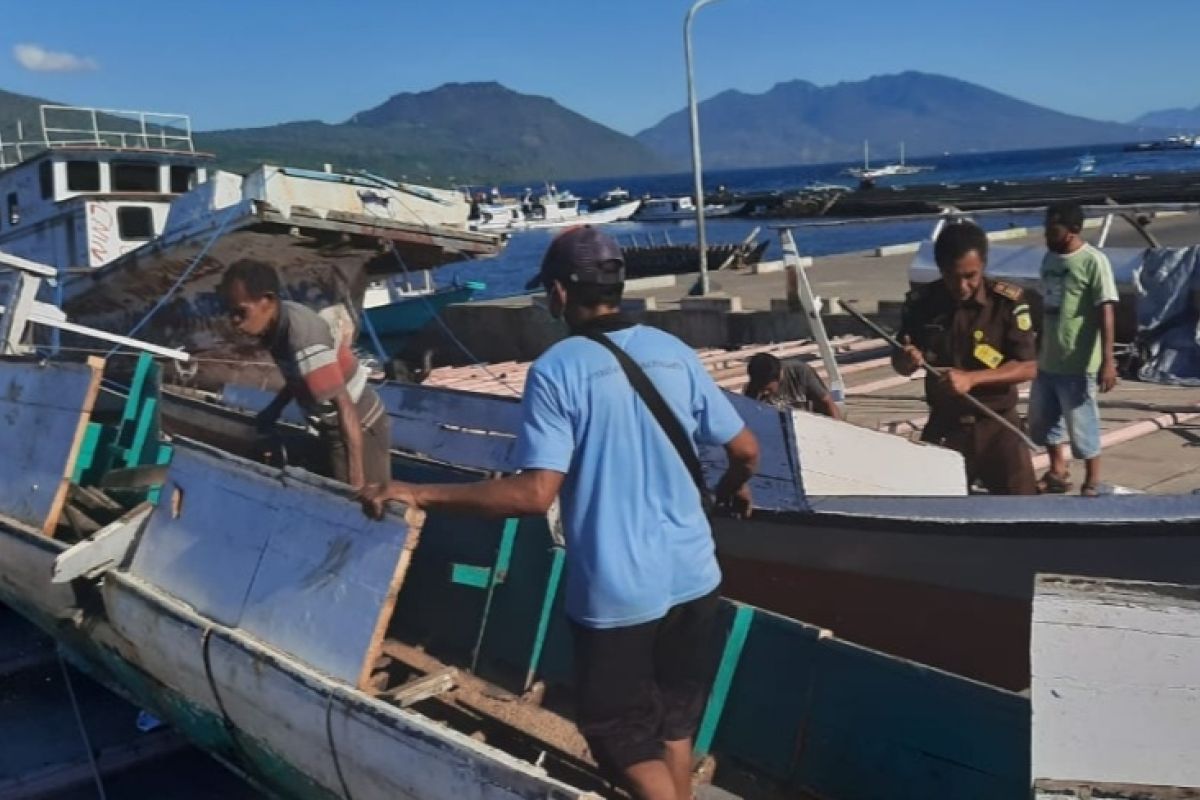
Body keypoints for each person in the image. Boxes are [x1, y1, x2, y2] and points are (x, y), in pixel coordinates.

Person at [359, 226, 760, 800]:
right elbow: (746, 450)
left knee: (618, 736)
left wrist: (421, 493)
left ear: (557, 293)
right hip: (696, 579)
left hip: (620, 593)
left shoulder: (557, 369)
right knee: (674, 727)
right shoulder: (673, 352)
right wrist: (734, 488)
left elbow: (533, 494)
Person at [893, 220, 1038, 495]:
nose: (961, 286)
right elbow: (899, 363)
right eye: (952, 276)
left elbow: (1028, 366)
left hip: (997, 426)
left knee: (1022, 512)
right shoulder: (922, 303)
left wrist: (973, 379)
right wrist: (906, 360)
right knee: (933, 510)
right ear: (940, 269)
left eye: (970, 276)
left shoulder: (1008, 302)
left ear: (983, 264)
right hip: (946, 425)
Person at [218, 259, 391, 489]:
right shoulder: (275, 326)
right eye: (231, 314)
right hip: (330, 427)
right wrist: (273, 410)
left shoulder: (302, 338)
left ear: (267, 301)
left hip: (358, 425)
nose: (235, 322)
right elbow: (299, 375)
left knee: (363, 504)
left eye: (241, 312)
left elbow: (345, 406)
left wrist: (355, 479)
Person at [1028, 202, 1119, 497]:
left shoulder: (1093, 261)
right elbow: (1043, 303)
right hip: (1048, 360)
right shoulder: (1049, 260)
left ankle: (1092, 478)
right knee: (1044, 421)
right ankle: (1058, 470)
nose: (1047, 236)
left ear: (1073, 230)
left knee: (1082, 423)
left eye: (1053, 230)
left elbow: (1106, 310)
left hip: (1079, 363)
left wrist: (1108, 360)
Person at [743, 352, 841, 419]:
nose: (765, 392)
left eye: (768, 389)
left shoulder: (800, 372)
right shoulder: (753, 389)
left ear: (778, 377)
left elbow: (827, 402)